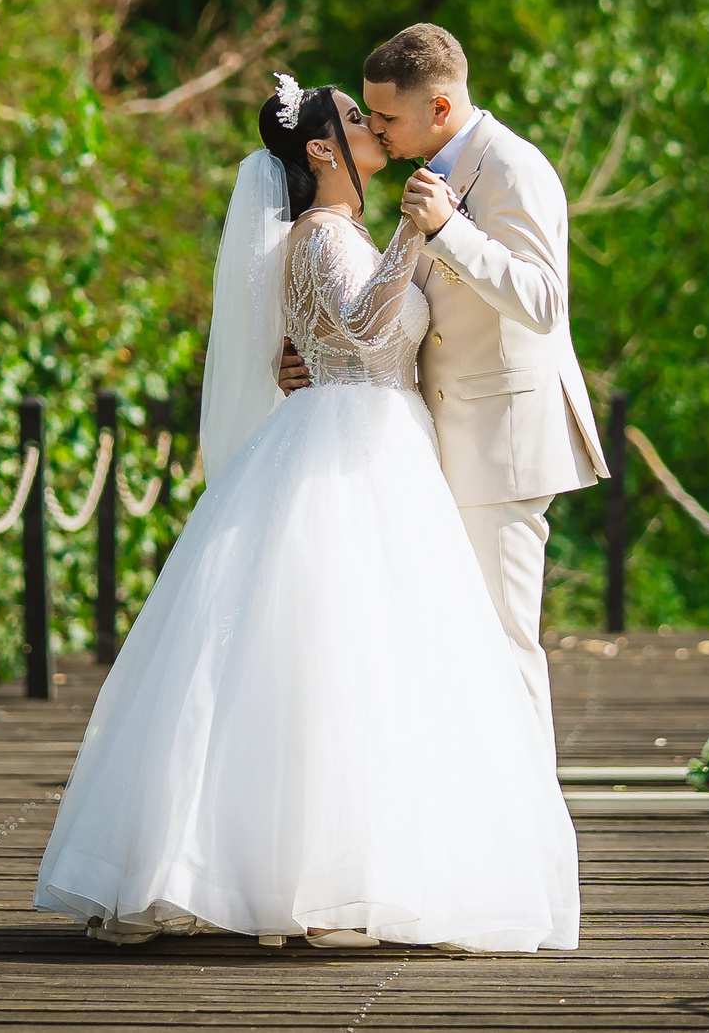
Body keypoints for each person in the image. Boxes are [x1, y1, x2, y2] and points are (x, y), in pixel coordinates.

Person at [31, 76, 579, 953]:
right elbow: (363, 329)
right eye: (357, 120)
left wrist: (396, 250)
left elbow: (356, 333)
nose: (373, 129)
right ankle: (315, 882)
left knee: (377, 663)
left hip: (386, 441)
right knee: (333, 657)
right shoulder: (322, 232)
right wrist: (416, 231)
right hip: (347, 448)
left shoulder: (349, 231)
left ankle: (369, 871)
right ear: (320, 148)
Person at [282, 24, 607, 745]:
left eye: (386, 116)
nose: (378, 130)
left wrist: (448, 231)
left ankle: (530, 807)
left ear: (438, 107)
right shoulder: (428, 172)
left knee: (504, 641)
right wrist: (313, 355)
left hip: (499, 443)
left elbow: (545, 303)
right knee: (453, 644)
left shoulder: (513, 167)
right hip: (429, 444)